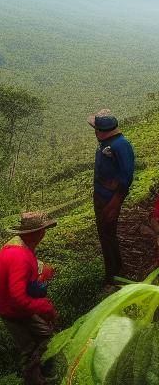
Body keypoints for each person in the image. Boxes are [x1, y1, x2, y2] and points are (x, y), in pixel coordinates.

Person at [0, 211, 58, 385]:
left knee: (41, 339)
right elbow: (18, 297)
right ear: (35, 233)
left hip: (12, 305)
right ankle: (33, 380)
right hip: (12, 309)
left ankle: (39, 376)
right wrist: (45, 307)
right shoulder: (19, 256)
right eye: (43, 230)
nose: (44, 234)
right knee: (35, 344)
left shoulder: (18, 246)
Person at [88, 109, 135, 290]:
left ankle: (112, 277)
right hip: (101, 195)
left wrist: (115, 203)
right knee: (106, 235)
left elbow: (126, 177)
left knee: (107, 235)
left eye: (96, 129)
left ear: (102, 131)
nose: (95, 132)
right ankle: (115, 270)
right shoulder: (106, 143)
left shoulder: (121, 145)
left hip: (109, 199)